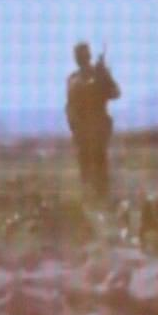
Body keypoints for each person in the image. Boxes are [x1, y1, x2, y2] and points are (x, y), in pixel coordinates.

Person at [65, 43, 120, 204]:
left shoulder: (99, 74)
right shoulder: (73, 79)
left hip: (98, 127)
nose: (80, 58)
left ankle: (101, 199)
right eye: (78, 55)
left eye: (83, 55)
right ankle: (90, 200)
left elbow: (115, 93)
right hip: (82, 130)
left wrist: (104, 77)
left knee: (99, 162)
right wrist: (74, 127)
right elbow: (70, 106)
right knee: (85, 165)